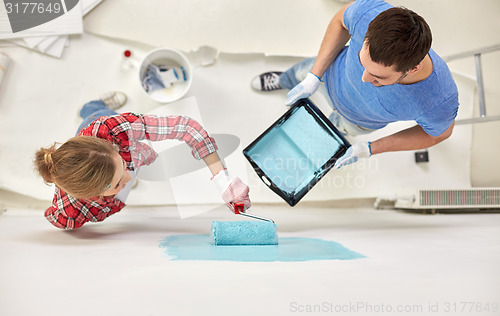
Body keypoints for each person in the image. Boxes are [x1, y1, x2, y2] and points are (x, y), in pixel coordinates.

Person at [252, 0, 459, 169]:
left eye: (379, 78)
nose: (364, 79)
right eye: (363, 62)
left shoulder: (439, 101)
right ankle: (284, 80)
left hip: (355, 120)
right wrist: (314, 77)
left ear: (413, 68)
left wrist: (370, 148)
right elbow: (340, 20)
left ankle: (331, 127)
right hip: (328, 74)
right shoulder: (368, 13)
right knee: (298, 73)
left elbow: (438, 135)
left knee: (330, 130)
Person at [34, 92, 251, 230]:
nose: (128, 177)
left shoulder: (112, 128)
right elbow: (60, 221)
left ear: (112, 147)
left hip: (97, 124)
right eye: (118, 182)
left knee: (98, 113)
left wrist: (223, 180)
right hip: (105, 171)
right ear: (90, 194)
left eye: (121, 164)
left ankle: (93, 106)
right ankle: (91, 113)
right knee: (92, 118)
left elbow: (186, 127)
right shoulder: (69, 212)